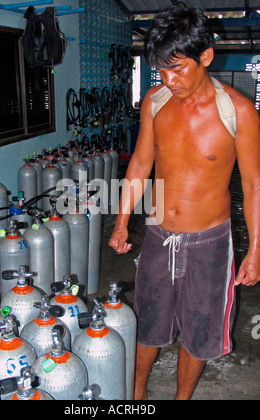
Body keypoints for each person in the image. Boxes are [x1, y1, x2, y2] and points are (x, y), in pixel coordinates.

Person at [108, 3, 260, 401]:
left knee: (200, 330)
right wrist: (122, 221)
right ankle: (137, 397)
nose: (168, 79)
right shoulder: (155, 103)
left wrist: (256, 250)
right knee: (149, 323)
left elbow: (254, 184)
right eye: (160, 68)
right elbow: (140, 164)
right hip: (159, 236)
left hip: (209, 243)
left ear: (205, 57)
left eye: (177, 68)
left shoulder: (238, 112)